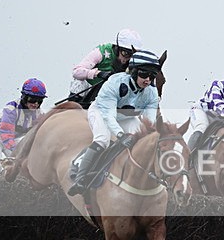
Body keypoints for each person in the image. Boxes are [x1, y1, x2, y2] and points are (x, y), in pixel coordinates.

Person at [67, 49, 162, 196]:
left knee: (142, 139)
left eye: (152, 76)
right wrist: (120, 135)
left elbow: (149, 123)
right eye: (144, 74)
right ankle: (80, 177)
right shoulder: (115, 83)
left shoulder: (152, 92)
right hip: (101, 112)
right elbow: (109, 117)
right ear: (134, 72)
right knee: (103, 140)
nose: (148, 80)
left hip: (126, 117)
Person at [0, 78, 47, 175]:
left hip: (13, 139)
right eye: (32, 99)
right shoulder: (11, 109)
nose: (36, 104)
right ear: (24, 97)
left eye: (40, 100)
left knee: (22, 168)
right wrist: (20, 153)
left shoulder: (40, 114)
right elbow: (6, 135)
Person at [67, 28, 143, 108]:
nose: (127, 59)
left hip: (110, 93)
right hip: (89, 88)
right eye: (125, 53)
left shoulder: (133, 62)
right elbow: (76, 72)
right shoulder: (102, 52)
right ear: (117, 48)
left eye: (132, 55)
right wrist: (98, 73)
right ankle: (72, 108)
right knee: (79, 81)